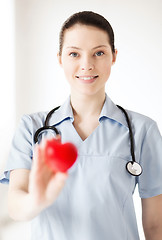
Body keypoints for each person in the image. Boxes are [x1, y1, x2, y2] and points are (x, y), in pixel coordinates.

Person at [0, 11, 162, 240]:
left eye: (99, 53)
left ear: (113, 56)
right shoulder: (32, 128)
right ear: (60, 58)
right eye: (74, 54)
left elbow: (156, 225)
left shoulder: (143, 130)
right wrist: (36, 199)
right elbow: (16, 205)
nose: (87, 65)